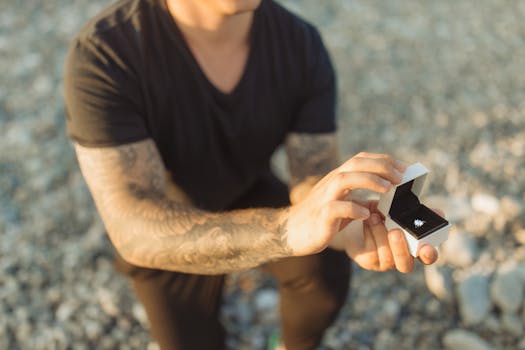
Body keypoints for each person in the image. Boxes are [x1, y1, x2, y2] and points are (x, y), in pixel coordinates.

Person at [64, 0, 440, 349]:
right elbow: (132, 227)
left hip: (250, 187)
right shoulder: (107, 54)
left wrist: (348, 219)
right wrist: (287, 231)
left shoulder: (300, 44)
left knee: (325, 280)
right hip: (169, 217)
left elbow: (311, 175)